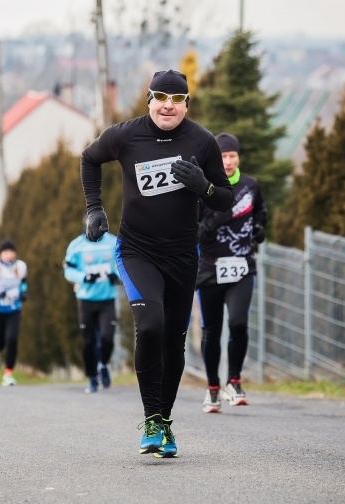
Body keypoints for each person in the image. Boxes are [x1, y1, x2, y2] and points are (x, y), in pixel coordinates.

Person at [80, 69, 233, 457]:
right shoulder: (126, 135)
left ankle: (164, 422)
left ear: (186, 104)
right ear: (149, 99)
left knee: (174, 342)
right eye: (161, 97)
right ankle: (151, 419)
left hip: (183, 255)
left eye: (177, 99)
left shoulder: (202, 141)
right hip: (137, 250)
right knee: (151, 327)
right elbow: (89, 159)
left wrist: (204, 186)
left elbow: (225, 200)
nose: (168, 105)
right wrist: (94, 209)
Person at [196, 133, 267, 413]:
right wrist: (205, 227)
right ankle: (213, 388)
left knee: (238, 323)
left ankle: (234, 381)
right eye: (222, 156)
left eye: (232, 156)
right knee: (211, 331)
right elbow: (192, 223)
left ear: (238, 157)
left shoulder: (250, 185)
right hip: (211, 268)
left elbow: (261, 212)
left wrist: (260, 228)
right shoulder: (204, 186)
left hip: (242, 265)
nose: (227, 161)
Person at [63, 227, 120, 393]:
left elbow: (124, 263)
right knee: (88, 342)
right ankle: (92, 378)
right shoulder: (76, 245)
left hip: (107, 300)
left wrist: (116, 275)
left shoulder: (113, 242)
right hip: (86, 300)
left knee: (107, 337)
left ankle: (103, 365)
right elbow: (68, 270)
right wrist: (84, 277)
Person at [0, 240, 27, 387]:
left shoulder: (20, 267)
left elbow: (23, 282)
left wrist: (23, 292)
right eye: (6, 252)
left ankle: (8, 373)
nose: (9, 255)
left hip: (13, 309)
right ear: (1, 253)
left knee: (12, 339)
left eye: (11, 251)